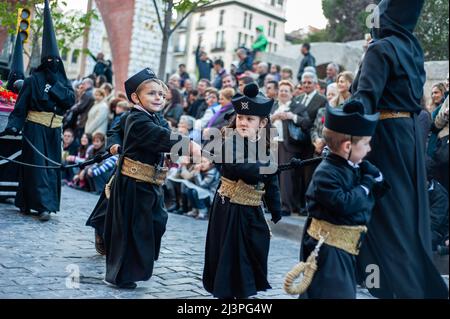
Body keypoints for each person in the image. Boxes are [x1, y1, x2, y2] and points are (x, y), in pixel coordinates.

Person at [348, 0, 448, 298]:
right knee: (406, 213)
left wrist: (345, 133)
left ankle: (390, 284)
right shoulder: (413, 48)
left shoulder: (380, 49)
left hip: (383, 137)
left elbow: (365, 98)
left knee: (385, 213)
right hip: (407, 138)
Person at [103, 68, 201, 289]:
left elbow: (163, 141)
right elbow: (160, 136)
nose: (159, 97)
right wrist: (191, 145)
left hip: (151, 182)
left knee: (156, 222)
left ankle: (136, 267)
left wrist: (170, 155)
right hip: (134, 184)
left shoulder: (155, 117)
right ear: (136, 98)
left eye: (162, 94)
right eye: (152, 93)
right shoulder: (137, 119)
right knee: (134, 229)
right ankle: (123, 275)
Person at [299, 104, 388, 299]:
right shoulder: (326, 173)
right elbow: (345, 204)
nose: (369, 148)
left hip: (345, 248)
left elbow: (376, 194)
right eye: (366, 144)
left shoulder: (354, 166)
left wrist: (376, 176)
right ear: (347, 147)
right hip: (328, 249)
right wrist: (365, 185)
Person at [203, 82, 282, 299]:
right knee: (231, 252)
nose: (243, 123)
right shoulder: (230, 141)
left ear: (263, 122)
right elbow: (238, 166)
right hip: (230, 207)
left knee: (254, 245)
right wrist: (264, 170)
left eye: (250, 119)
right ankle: (228, 292)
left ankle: (246, 288)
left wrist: (276, 208)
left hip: (252, 208)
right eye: (240, 118)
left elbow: (272, 181)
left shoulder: (265, 148)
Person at [0, 0, 75, 221]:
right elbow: (21, 105)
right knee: (36, 168)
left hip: (54, 131)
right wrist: (14, 126)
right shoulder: (33, 80)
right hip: (35, 128)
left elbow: (69, 100)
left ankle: (34, 202)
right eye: (48, 60)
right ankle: (41, 206)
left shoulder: (63, 82)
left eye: (55, 60)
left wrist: (54, 88)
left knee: (51, 168)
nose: (52, 63)